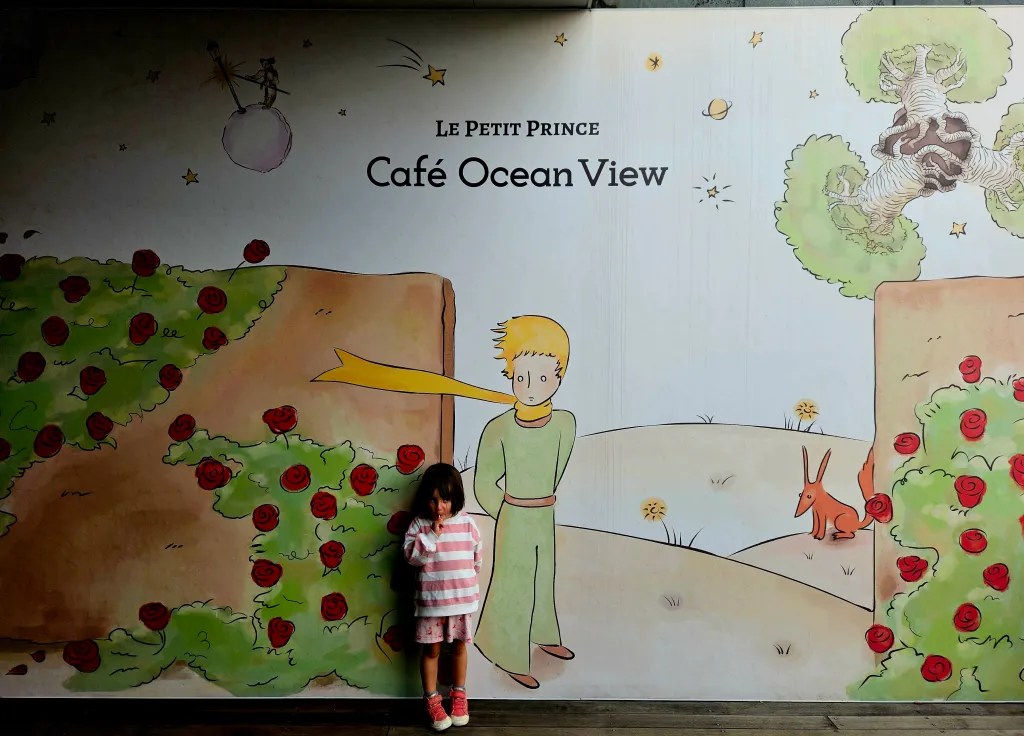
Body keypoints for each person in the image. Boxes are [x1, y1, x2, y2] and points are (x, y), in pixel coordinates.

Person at [311, 313, 576, 689]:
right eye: (522, 377)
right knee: (513, 582)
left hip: (543, 512)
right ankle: (505, 647)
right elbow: (485, 480)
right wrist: (510, 509)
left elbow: (559, 465)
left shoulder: (565, 423)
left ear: (559, 376)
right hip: (513, 513)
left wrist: (539, 503)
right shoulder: (498, 428)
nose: (531, 386)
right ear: (511, 376)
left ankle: (544, 631)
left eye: (543, 377)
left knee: (542, 575)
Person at [403, 463, 483, 732]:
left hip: (461, 601)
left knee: (459, 647)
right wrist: (432, 536)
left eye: (446, 500)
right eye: (434, 500)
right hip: (432, 604)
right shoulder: (419, 525)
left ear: (456, 498)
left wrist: (470, 587)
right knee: (432, 650)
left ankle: (459, 695)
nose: (439, 507)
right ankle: (432, 699)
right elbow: (412, 558)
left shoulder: (467, 523)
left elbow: (476, 559)